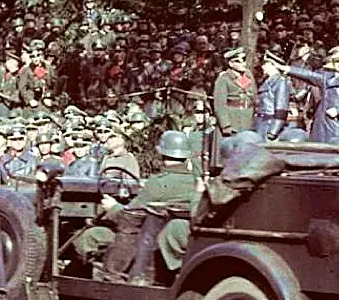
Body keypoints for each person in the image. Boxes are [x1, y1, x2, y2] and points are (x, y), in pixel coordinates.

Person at [68, 130, 201, 283]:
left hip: (144, 239)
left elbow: (129, 218)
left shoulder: (157, 183)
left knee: (89, 236)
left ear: (161, 154)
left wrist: (112, 207)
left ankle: (85, 285)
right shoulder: (195, 182)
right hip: (166, 238)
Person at [280, 46, 339, 143]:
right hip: (321, 124)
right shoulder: (326, 78)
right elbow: (308, 75)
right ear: (333, 62)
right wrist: (288, 69)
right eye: (337, 61)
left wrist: (338, 111)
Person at [212, 47, 256, 137]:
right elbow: (220, 104)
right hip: (232, 121)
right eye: (239, 62)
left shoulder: (249, 76)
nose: (243, 64)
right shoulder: (224, 79)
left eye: (244, 61)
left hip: (248, 120)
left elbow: (254, 97)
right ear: (231, 64)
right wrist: (226, 125)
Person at [253, 51, 292, 141]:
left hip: (270, 124)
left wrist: (274, 131)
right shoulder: (267, 80)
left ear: (272, 65)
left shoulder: (281, 81)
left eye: (265, 64)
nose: (262, 67)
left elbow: (281, 108)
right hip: (261, 122)